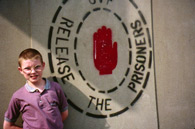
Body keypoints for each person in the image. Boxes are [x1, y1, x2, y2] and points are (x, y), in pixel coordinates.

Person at [3, 48, 68, 129]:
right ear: (20, 70)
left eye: (37, 67)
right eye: (27, 68)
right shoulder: (18, 96)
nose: (33, 71)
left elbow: (64, 113)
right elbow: (7, 126)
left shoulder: (55, 88)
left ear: (43, 65)